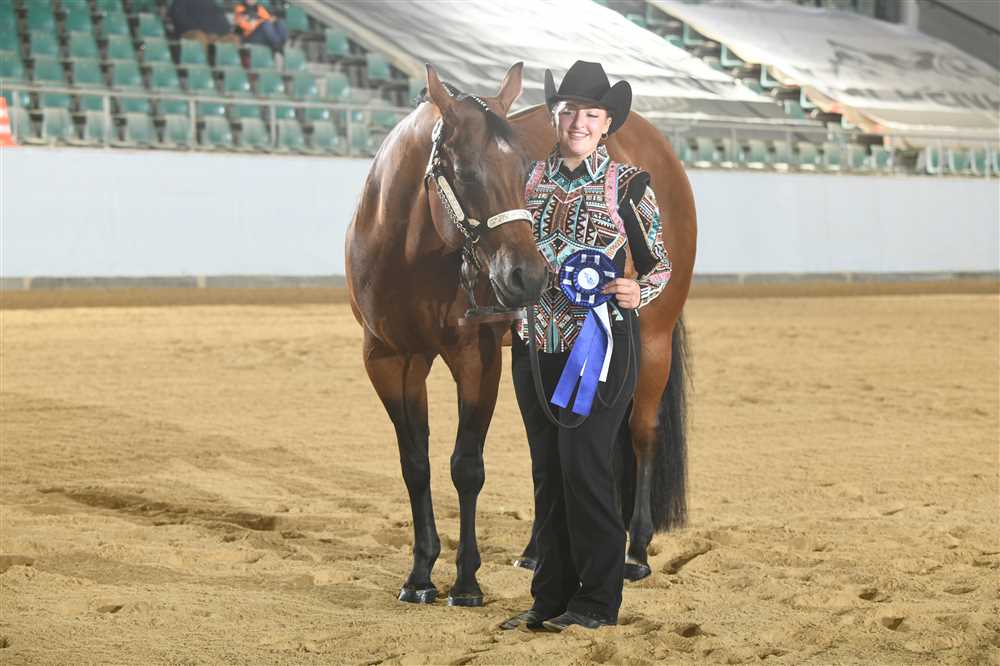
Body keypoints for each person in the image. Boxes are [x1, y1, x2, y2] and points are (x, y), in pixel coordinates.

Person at [501, 61, 671, 633]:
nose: (579, 122)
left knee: (586, 467)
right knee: (548, 471)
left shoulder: (630, 185)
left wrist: (638, 290)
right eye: (569, 111)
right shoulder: (523, 181)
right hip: (534, 345)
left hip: (600, 346)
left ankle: (596, 601)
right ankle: (549, 598)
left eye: (591, 114)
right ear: (555, 116)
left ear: (607, 123)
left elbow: (659, 265)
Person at [167, 0, 240, 47]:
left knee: (233, 38)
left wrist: (216, 34)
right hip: (189, 34)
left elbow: (223, 23)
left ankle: (238, 65)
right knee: (200, 36)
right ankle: (206, 65)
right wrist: (207, 34)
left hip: (212, 35)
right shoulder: (180, 2)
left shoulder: (210, 2)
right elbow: (179, 19)